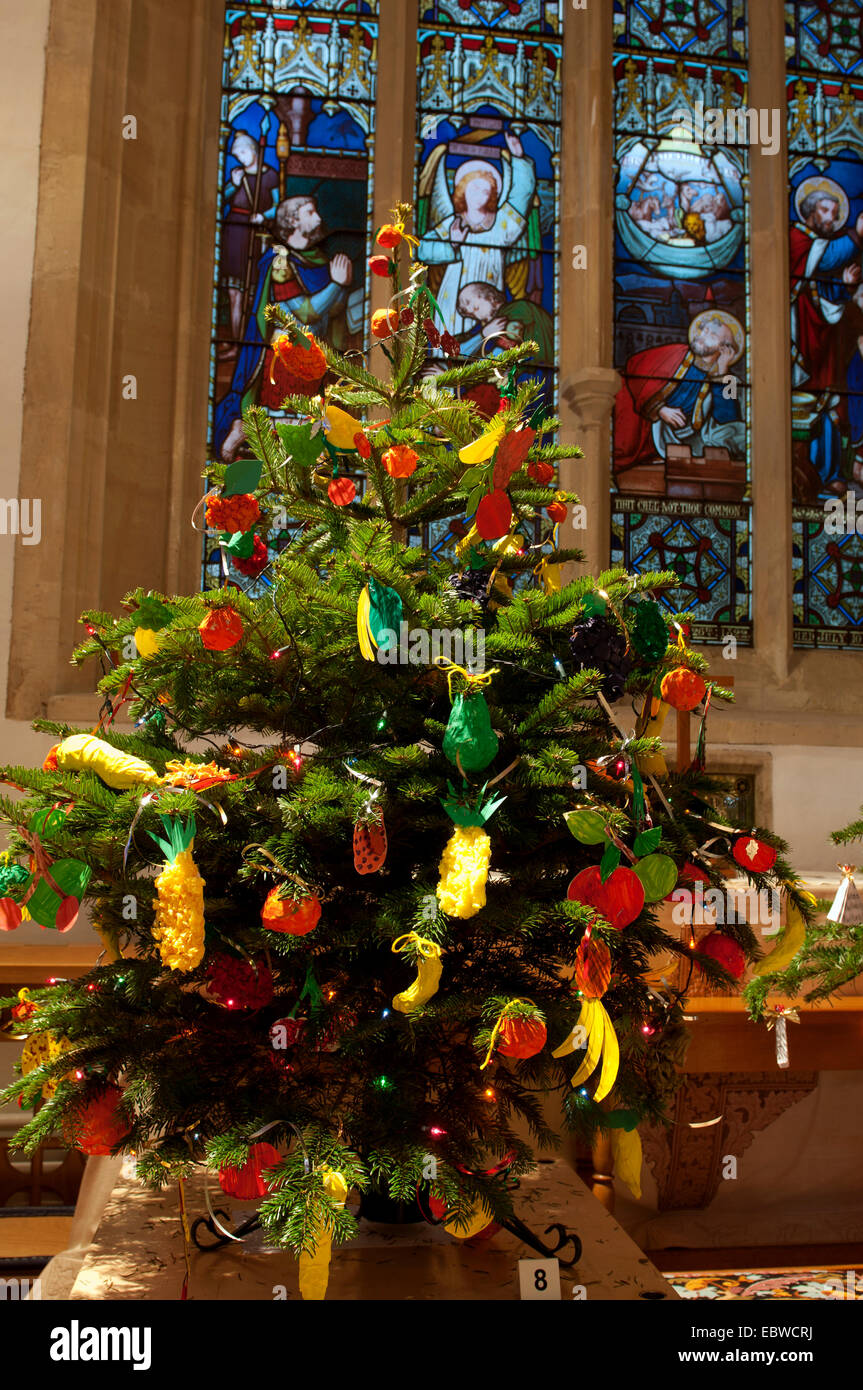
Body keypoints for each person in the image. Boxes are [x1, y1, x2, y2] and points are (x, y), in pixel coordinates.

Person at [214, 194, 357, 461]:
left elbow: (333, 310)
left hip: (314, 357)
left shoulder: (317, 261)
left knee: (305, 420)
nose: (318, 217)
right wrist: (337, 284)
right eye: (310, 212)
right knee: (288, 417)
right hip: (285, 358)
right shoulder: (281, 263)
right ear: (293, 220)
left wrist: (343, 287)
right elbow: (307, 311)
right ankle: (243, 431)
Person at [417, 133, 537, 339]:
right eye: (473, 187)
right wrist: (452, 244)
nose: (479, 194)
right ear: (463, 190)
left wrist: (518, 158)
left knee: (487, 340)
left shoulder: (501, 224)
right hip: (452, 296)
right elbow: (422, 250)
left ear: (493, 194)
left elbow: (521, 197)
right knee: (451, 338)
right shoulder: (453, 222)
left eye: (485, 189)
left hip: (487, 298)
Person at [789, 179, 863, 494]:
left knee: (828, 400)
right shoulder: (794, 238)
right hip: (797, 335)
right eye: (825, 210)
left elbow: (823, 288)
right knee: (801, 401)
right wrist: (857, 235)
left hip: (821, 335)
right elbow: (828, 258)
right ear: (808, 210)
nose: (831, 218)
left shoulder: (817, 246)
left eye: (835, 213)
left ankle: (831, 471)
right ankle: (796, 472)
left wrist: (845, 287)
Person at [614, 312, 745, 475]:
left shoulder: (730, 380)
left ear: (725, 348)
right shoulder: (675, 352)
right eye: (704, 330)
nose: (703, 335)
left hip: (684, 436)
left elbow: (728, 419)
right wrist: (660, 409)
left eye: (712, 334)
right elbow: (634, 368)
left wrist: (723, 371)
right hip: (645, 420)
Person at [220, 131, 280, 350]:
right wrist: (233, 184)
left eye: (243, 153)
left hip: (257, 236)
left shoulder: (270, 175)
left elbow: (278, 206)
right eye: (238, 156)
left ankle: (250, 342)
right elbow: (222, 199)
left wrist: (264, 215)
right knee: (234, 292)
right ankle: (236, 342)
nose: (242, 159)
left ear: (253, 149)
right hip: (234, 233)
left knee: (251, 292)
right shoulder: (238, 175)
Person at [456, 281, 554, 363]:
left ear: (491, 297)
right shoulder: (485, 326)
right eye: (472, 315)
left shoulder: (519, 309)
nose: (477, 316)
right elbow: (457, 355)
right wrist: (483, 334)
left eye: (476, 308)